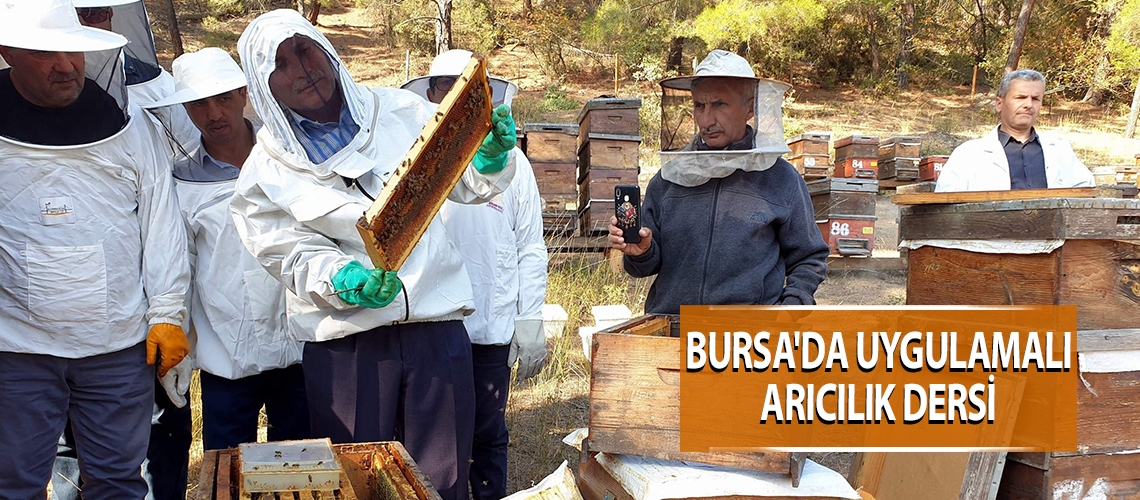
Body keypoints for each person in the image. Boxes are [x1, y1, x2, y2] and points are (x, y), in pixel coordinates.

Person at [232, 11, 517, 500]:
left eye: (306, 50)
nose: (302, 69)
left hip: (435, 327)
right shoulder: (263, 171)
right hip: (348, 344)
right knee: (358, 480)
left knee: (443, 479)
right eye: (282, 63)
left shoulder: (400, 111)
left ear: (327, 51)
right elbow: (286, 252)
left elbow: (463, 181)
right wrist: (340, 277)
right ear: (265, 84)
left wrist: (487, 156)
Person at [0, 1, 191, 499]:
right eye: (46, 53)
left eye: (74, 50)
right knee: (12, 483)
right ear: (7, 52)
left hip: (118, 347)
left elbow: (161, 222)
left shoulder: (131, 128)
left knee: (119, 483)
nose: (65, 65)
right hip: (16, 349)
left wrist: (168, 313)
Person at [145, 47, 311, 452]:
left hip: (302, 352)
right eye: (199, 103)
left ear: (243, 95)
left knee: (298, 468)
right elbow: (178, 265)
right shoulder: (182, 184)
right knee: (227, 469)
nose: (213, 113)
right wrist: (176, 336)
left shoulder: (291, 161)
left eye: (222, 98)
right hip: (227, 362)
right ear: (184, 109)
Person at [403, 49, 549, 500]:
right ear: (429, 95)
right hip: (430, 327)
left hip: (491, 324)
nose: (451, 101)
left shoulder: (514, 164)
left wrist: (530, 317)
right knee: (431, 440)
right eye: (443, 90)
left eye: (463, 92)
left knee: (487, 434)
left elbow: (529, 244)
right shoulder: (414, 160)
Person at [609, 50, 829, 313]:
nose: (706, 119)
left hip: (748, 338)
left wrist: (791, 307)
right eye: (699, 106)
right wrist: (639, 251)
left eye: (719, 104)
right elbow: (644, 266)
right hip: (674, 329)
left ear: (750, 107)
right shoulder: (670, 178)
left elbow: (809, 257)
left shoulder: (781, 179)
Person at [936, 69, 1094, 192]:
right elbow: (946, 206)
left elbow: (1087, 194)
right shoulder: (968, 154)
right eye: (1020, 97)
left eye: (1035, 99)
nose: (1028, 105)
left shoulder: (1061, 152)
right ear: (999, 104)